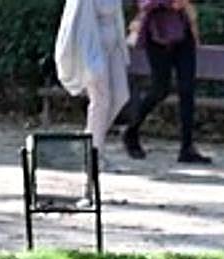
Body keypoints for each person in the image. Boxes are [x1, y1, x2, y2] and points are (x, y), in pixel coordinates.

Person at [123, 0, 212, 164]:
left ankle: (187, 147)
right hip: (157, 35)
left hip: (183, 34)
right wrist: (170, 3)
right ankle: (131, 131)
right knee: (160, 89)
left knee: (187, 89)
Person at [54, 0, 131, 171]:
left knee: (121, 95)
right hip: (93, 47)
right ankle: (94, 154)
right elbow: (79, 25)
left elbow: (117, 15)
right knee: (100, 100)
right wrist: (90, 62)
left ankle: (89, 141)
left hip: (114, 43)